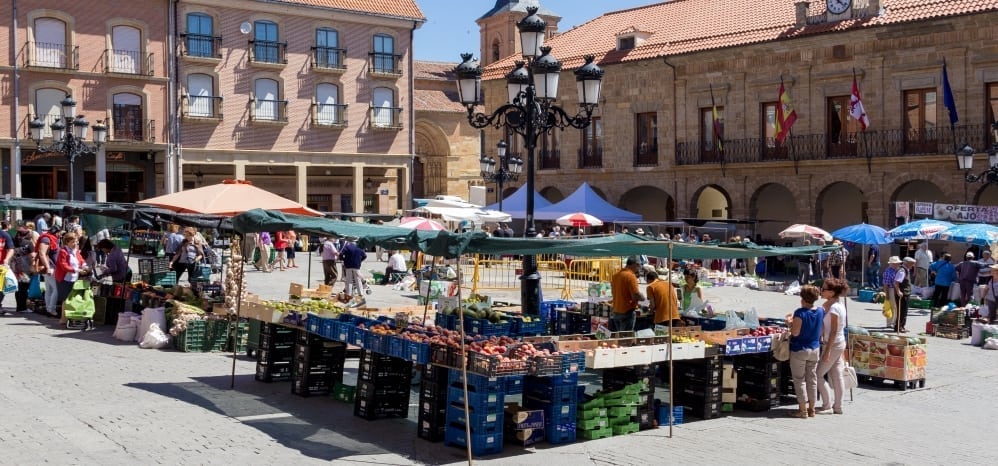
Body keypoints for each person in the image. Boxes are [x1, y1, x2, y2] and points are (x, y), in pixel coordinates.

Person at [785, 284, 823, 418]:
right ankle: (812, 408)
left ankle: (802, 410)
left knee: (799, 379)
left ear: (803, 298)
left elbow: (795, 333)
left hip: (800, 349)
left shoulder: (800, 313)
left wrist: (789, 323)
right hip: (815, 349)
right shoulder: (820, 311)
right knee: (812, 379)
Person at [816, 278, 848, 415]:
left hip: (833, 344)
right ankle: (838, 407)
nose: (821, 291)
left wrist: (828, 350)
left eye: (823, 289)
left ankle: (827, 405)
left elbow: (834, 330)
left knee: (818, 374)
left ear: (832, 292)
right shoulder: (834, 304)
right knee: (836, 375)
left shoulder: (835, 308)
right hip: (838, 343)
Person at [53, 232, 86, 319]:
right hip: (64, 279)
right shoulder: (63, 251)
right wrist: (76, 270)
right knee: (66, 299)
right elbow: (64, 265)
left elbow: (80, 260)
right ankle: (63, 318)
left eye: (76, 242)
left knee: (71, 298)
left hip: (73, 278)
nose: (75, 244)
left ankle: (69, 316)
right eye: (73, 242)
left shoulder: (76, 250)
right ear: (67, 242)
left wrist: (85, 266)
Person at [610, 256, 644, 331]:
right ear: (635, 264)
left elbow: (614, 292)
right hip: (627, 311)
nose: (639, 268)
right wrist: (642, 298)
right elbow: (635, 295)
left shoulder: (616, 275)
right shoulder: (631, 276)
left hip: (616, 311)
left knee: (619, 336)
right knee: (625, 338)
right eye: (639, 266)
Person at [9, 227, 35, 315]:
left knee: (18, 288)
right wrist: (33, 266)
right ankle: (22, 307)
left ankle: (19, 306)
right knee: (24, 288)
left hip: (14, 268)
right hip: (25, 268)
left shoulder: (12, 242)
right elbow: (32, 256)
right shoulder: (28, 243)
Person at [894, 257, 915, 333]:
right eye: (912, 264)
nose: (913, 266)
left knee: (904, 311)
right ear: (907, 263)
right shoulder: (902, 271)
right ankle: (898, 327)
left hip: (905, 293)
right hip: (902, 294)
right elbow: (896, 282)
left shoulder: (906, 270)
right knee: (901, 311)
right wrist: (898, 291)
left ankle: (902, 326)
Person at [882, 256, 901, 328]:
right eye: (897, 263)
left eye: (898, 263)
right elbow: (885, 284)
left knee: (894, 307)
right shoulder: (888, 271)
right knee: (893, 307)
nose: (898, 264)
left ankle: (892, 322)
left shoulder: (896, 270)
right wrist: (887, 294)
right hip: (891, 289)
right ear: (892, 264)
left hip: (894, 289)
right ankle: (891, 323)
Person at [0, 222, 15, 312]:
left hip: (1, 266)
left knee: (1, 287)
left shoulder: (4, 235)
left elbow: (11, 249)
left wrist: (7, 259)